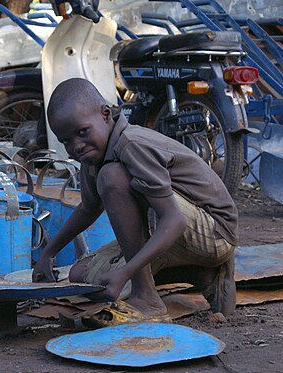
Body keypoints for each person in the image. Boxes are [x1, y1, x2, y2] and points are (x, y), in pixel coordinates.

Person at [32, 78, 238, 322]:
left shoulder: (131, 144)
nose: (76, 146)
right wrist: (49, 252)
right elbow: (89, 208)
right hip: (172, 230)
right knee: (81, 274)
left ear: (106, 114)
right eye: (66, 140)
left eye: (82, 132)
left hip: (213, 230)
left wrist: (126, 272)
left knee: (112, 177)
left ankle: (146, 298)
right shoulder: (93, 153)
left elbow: (175, 220)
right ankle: (202, 274)